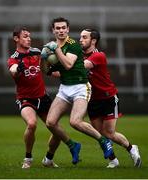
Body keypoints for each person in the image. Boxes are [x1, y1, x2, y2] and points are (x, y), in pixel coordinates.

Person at [41, 17, 114, 164]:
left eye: (63, 28)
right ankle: (73, 145)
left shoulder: (73, 44)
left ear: (68, 29)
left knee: (75, 122)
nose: (61, 30)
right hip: (65, 88)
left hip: (81, 87)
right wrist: (43, 58)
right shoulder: (53, 46)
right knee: (50, 122)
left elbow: (68, 65)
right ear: (53, 30)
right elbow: (47, 71)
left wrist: (56, 50)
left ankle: (103, 140)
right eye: (58, 28)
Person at [79, 28, 142, 168]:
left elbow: (82, 66)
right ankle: (113, 160)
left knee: (109, 133)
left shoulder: (98, 55)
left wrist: (61, 57)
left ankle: (131, 148)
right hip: (92, 100)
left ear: (93, 40)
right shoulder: (79, 54)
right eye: (80, 37)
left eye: (84, 37)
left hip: (108, 98)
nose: (80, 39)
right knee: (99, 135)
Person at [7, 26, 62, 169]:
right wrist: (18, 68)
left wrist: (65, 74)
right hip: (26, 99)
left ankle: (48, 159)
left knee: (57, 131)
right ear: (16, 39)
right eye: (25, 36)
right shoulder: (14, 59)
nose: (29, 38)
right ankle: (28, 158)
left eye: (29, 36)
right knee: (31, 124)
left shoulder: (37, 52)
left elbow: (47, 71)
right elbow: (13, 71)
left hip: (42, 97)